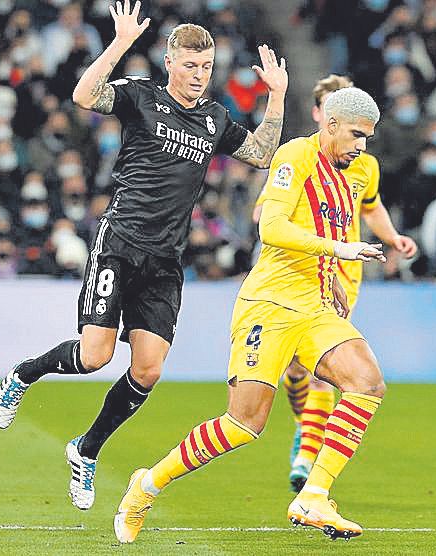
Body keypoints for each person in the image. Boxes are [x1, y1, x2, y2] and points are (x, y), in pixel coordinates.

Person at [0, 0, 288, 511]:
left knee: (147, 371)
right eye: (191, 66)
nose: (199, 75)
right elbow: (84, 94)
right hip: (119, 243)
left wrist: (277, 97)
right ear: (170, 63)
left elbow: (260, 154)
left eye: (207, 67)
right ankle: (23, 374)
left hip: (165, 262)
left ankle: (86, 450)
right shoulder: (140, 96)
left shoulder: (215, 118)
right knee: (94, 357)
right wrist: (121, 43)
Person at [113, 87, 388, 543]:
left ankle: (314, 495)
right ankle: (146, 484)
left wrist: (332, 275)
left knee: (367, 382)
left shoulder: (349, 175)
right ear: (331, 124)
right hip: (269, 305)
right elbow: (272, 227)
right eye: (357, 135)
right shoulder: (294, 157)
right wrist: (339, 250)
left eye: (369, 139)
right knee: (243, 424)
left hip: (315, 304)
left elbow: (318, 230)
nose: (362, 146)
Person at [251, 74, 416, 492]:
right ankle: (305, 427)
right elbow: (264, 218)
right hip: (296, 268)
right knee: (293, 370)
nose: (357, 140)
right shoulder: (299, 158)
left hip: (343, 272)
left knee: (332, 370)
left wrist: (392, 237)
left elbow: (371, 208)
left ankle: (308, 455)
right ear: (322, 117)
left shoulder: (364, 165)